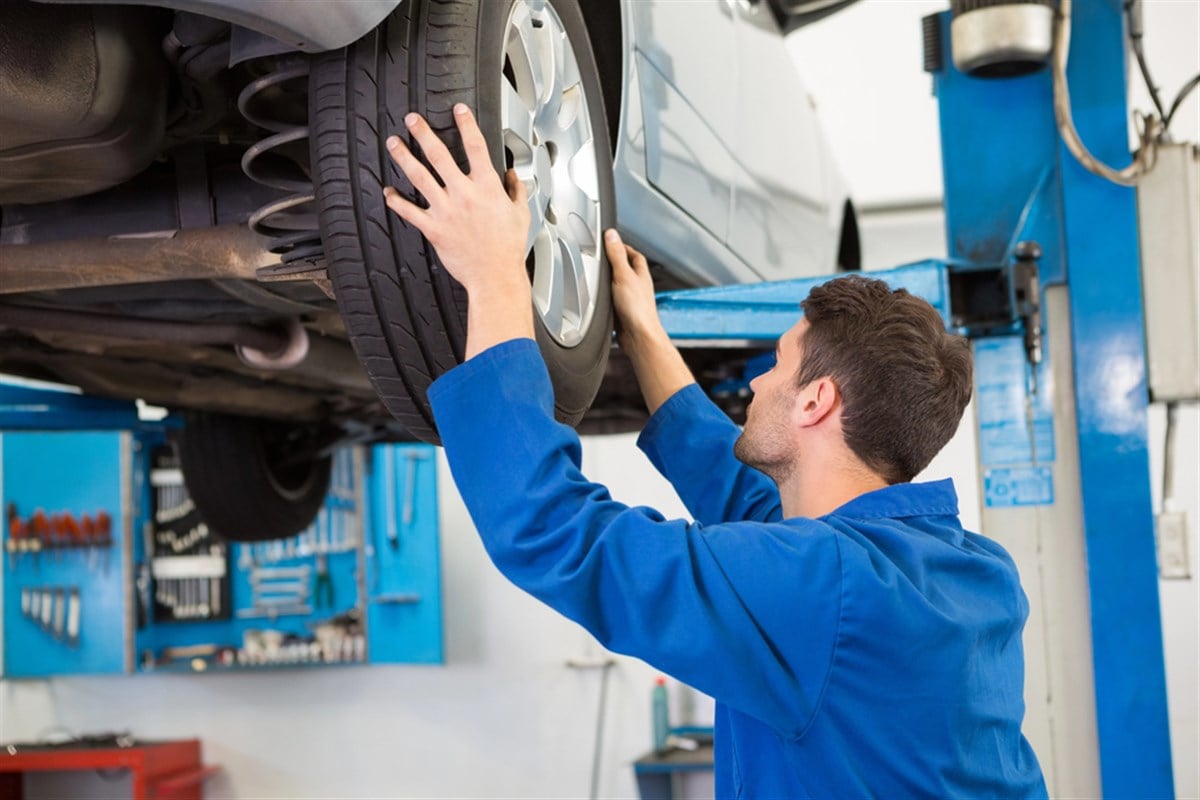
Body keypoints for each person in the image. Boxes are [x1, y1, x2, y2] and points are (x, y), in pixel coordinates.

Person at [381, 104, 1048, 798]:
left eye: (778, 364)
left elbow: (554, 530)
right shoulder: (972, 573)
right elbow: (752, 502)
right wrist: (642, 333)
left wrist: (493, 278)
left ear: (818, 402)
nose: (755, 380)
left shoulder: (827, 589)